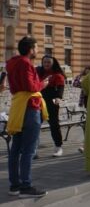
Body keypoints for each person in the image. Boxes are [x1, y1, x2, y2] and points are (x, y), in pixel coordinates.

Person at [6, 36, 49, 198]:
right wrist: (42, 85)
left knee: (16, 148)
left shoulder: (12, 63)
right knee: (29, 150)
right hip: (30, 107)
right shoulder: (25, 63)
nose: (38, 51)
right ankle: (26, 185)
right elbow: (30, 86)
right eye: (37, 48)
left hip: (18, 107)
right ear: (31, 49)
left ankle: (14, 185)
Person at [37, 55, 66, 157]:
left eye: (48, 62)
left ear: (53, 63)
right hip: (38, 101)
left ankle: (58, 147)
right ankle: (33, 149)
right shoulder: (39, 72)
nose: (46, 64)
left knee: (54, 125)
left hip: (51, 102)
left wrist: (58, 97)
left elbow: (61, 87)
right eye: (44, 62)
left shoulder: (57, 74)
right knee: (35, 125)